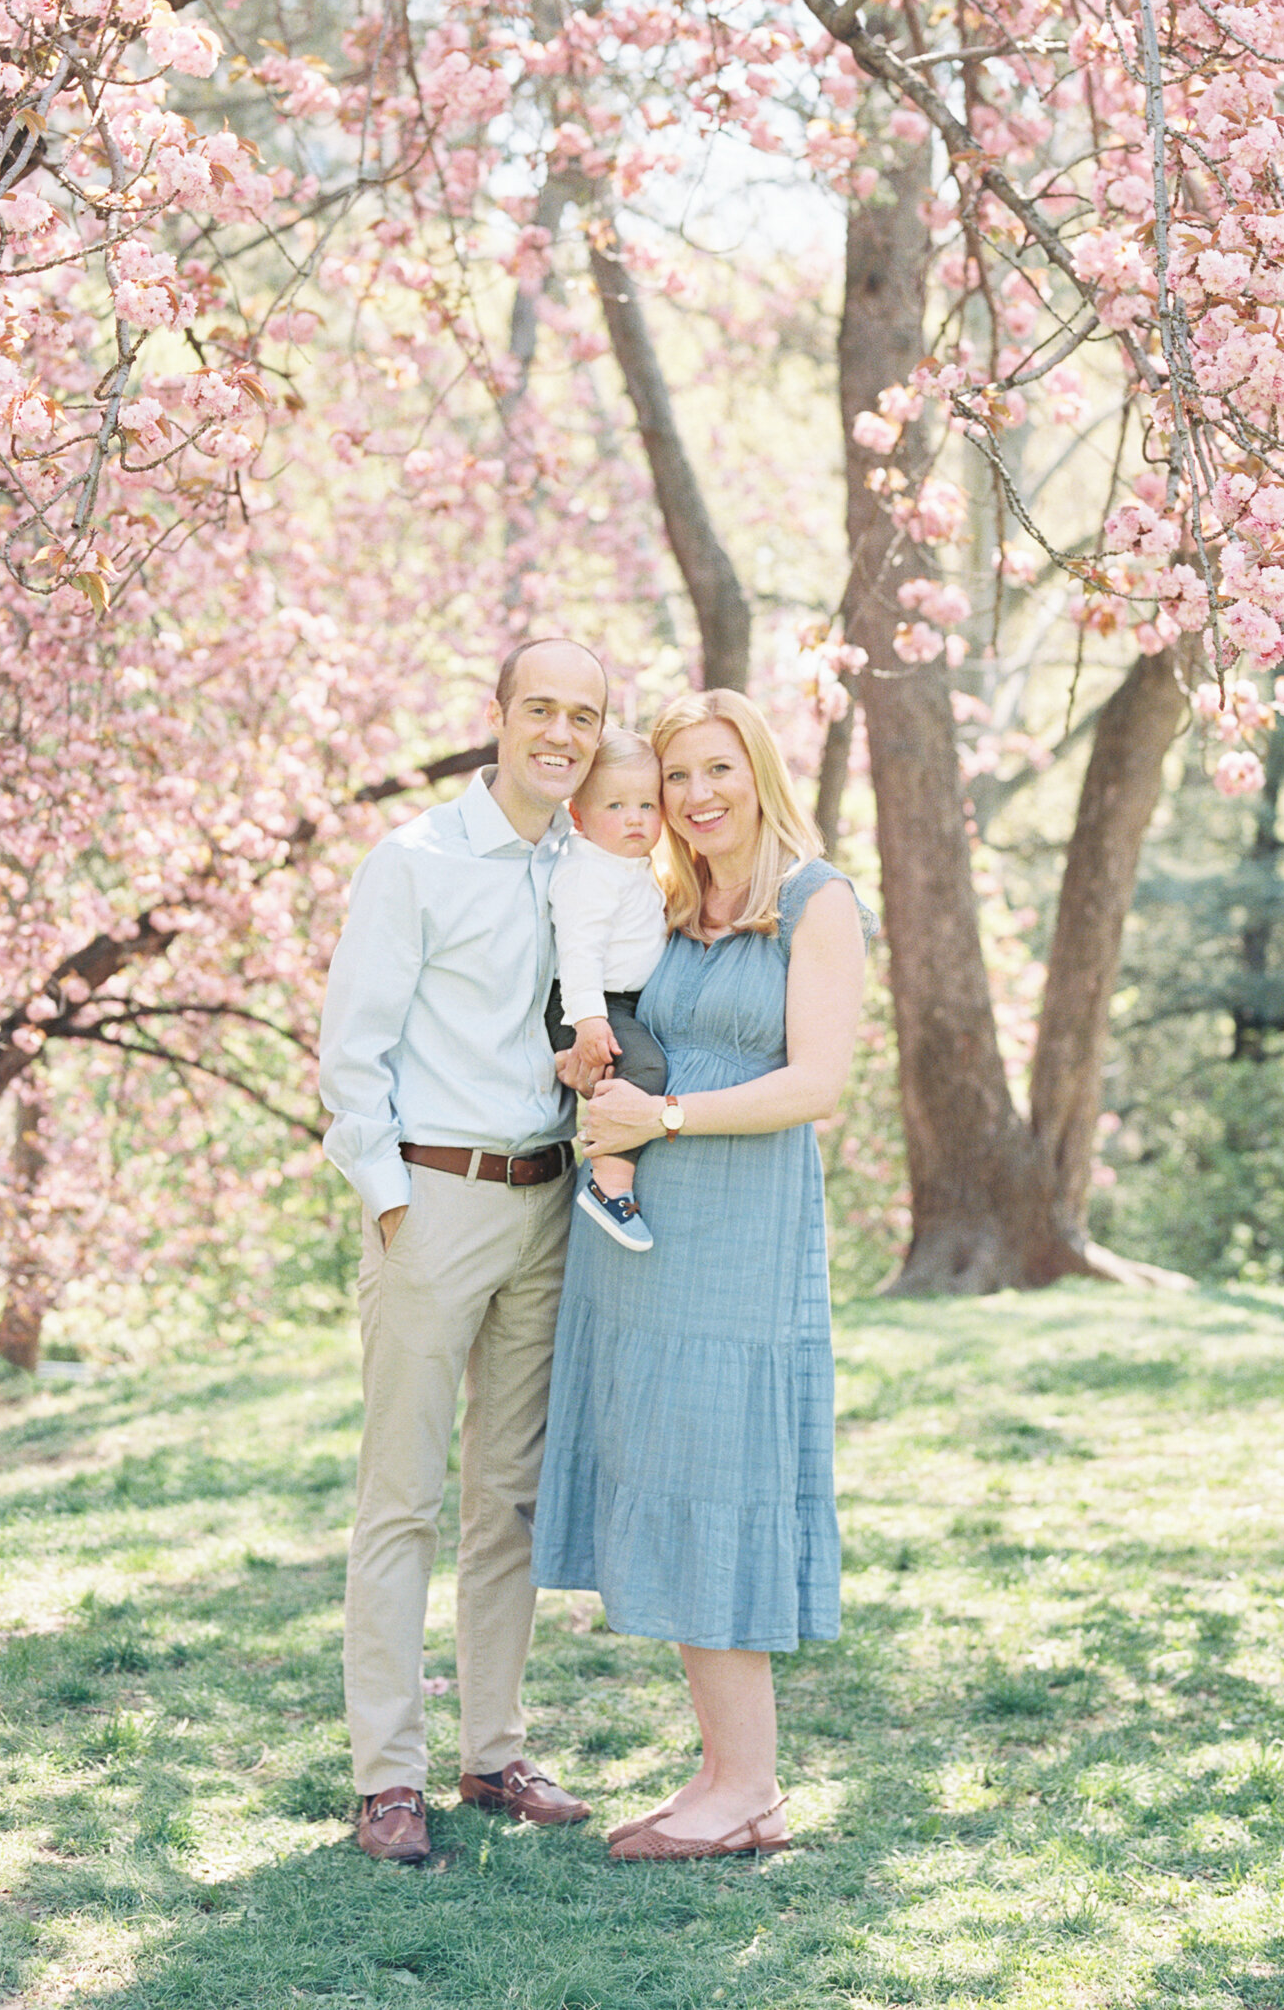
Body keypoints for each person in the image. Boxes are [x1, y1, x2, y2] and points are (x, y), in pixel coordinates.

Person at [530, 687, 870, 1862]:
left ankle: (751, 1785)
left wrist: (663, 1114)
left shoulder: (816, 902)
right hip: (640, 1240)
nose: (697, 794)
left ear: (759, 772)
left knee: (722, 1475)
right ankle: (730, 1774)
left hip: (740, 1226)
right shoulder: (671, 903)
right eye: (678, 776)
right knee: (671, 1473)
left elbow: (816, 1083)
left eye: (718, 769)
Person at [319, 637, 609, 1865]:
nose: (562, 732)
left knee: (511, 1499)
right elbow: (352, 1050)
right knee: (403, 1499)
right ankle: (388, 1775)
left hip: (549, 1203)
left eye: (584, 716)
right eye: (541, 708)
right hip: (433, 1201)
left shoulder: (589, 867)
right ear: (496, 716)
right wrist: (389, 1201)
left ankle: (492, 1751)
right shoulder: (416, 862)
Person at [545, 728, 670, 1253]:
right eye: (615, 805)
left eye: (648, 803)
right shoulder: (588, 871)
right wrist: (589, 1020)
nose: (636, 818)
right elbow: (579, 951)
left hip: (616, 1002)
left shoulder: (625, 863)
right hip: (588, 1004)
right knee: (643, 1070)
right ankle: (608, 1185)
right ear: (578, 816)